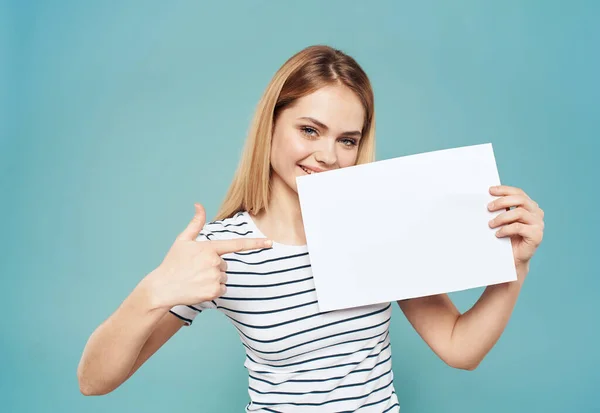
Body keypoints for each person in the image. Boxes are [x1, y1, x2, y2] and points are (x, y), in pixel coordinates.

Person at [77, 45, 545, 412]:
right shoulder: (222, 250)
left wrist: (515, 265)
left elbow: (459, 347)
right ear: (272, 124)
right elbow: (94, 381)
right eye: (309, 130)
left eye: (347, 140)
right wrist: (153, 290)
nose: (327, 155)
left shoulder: (381, 222)